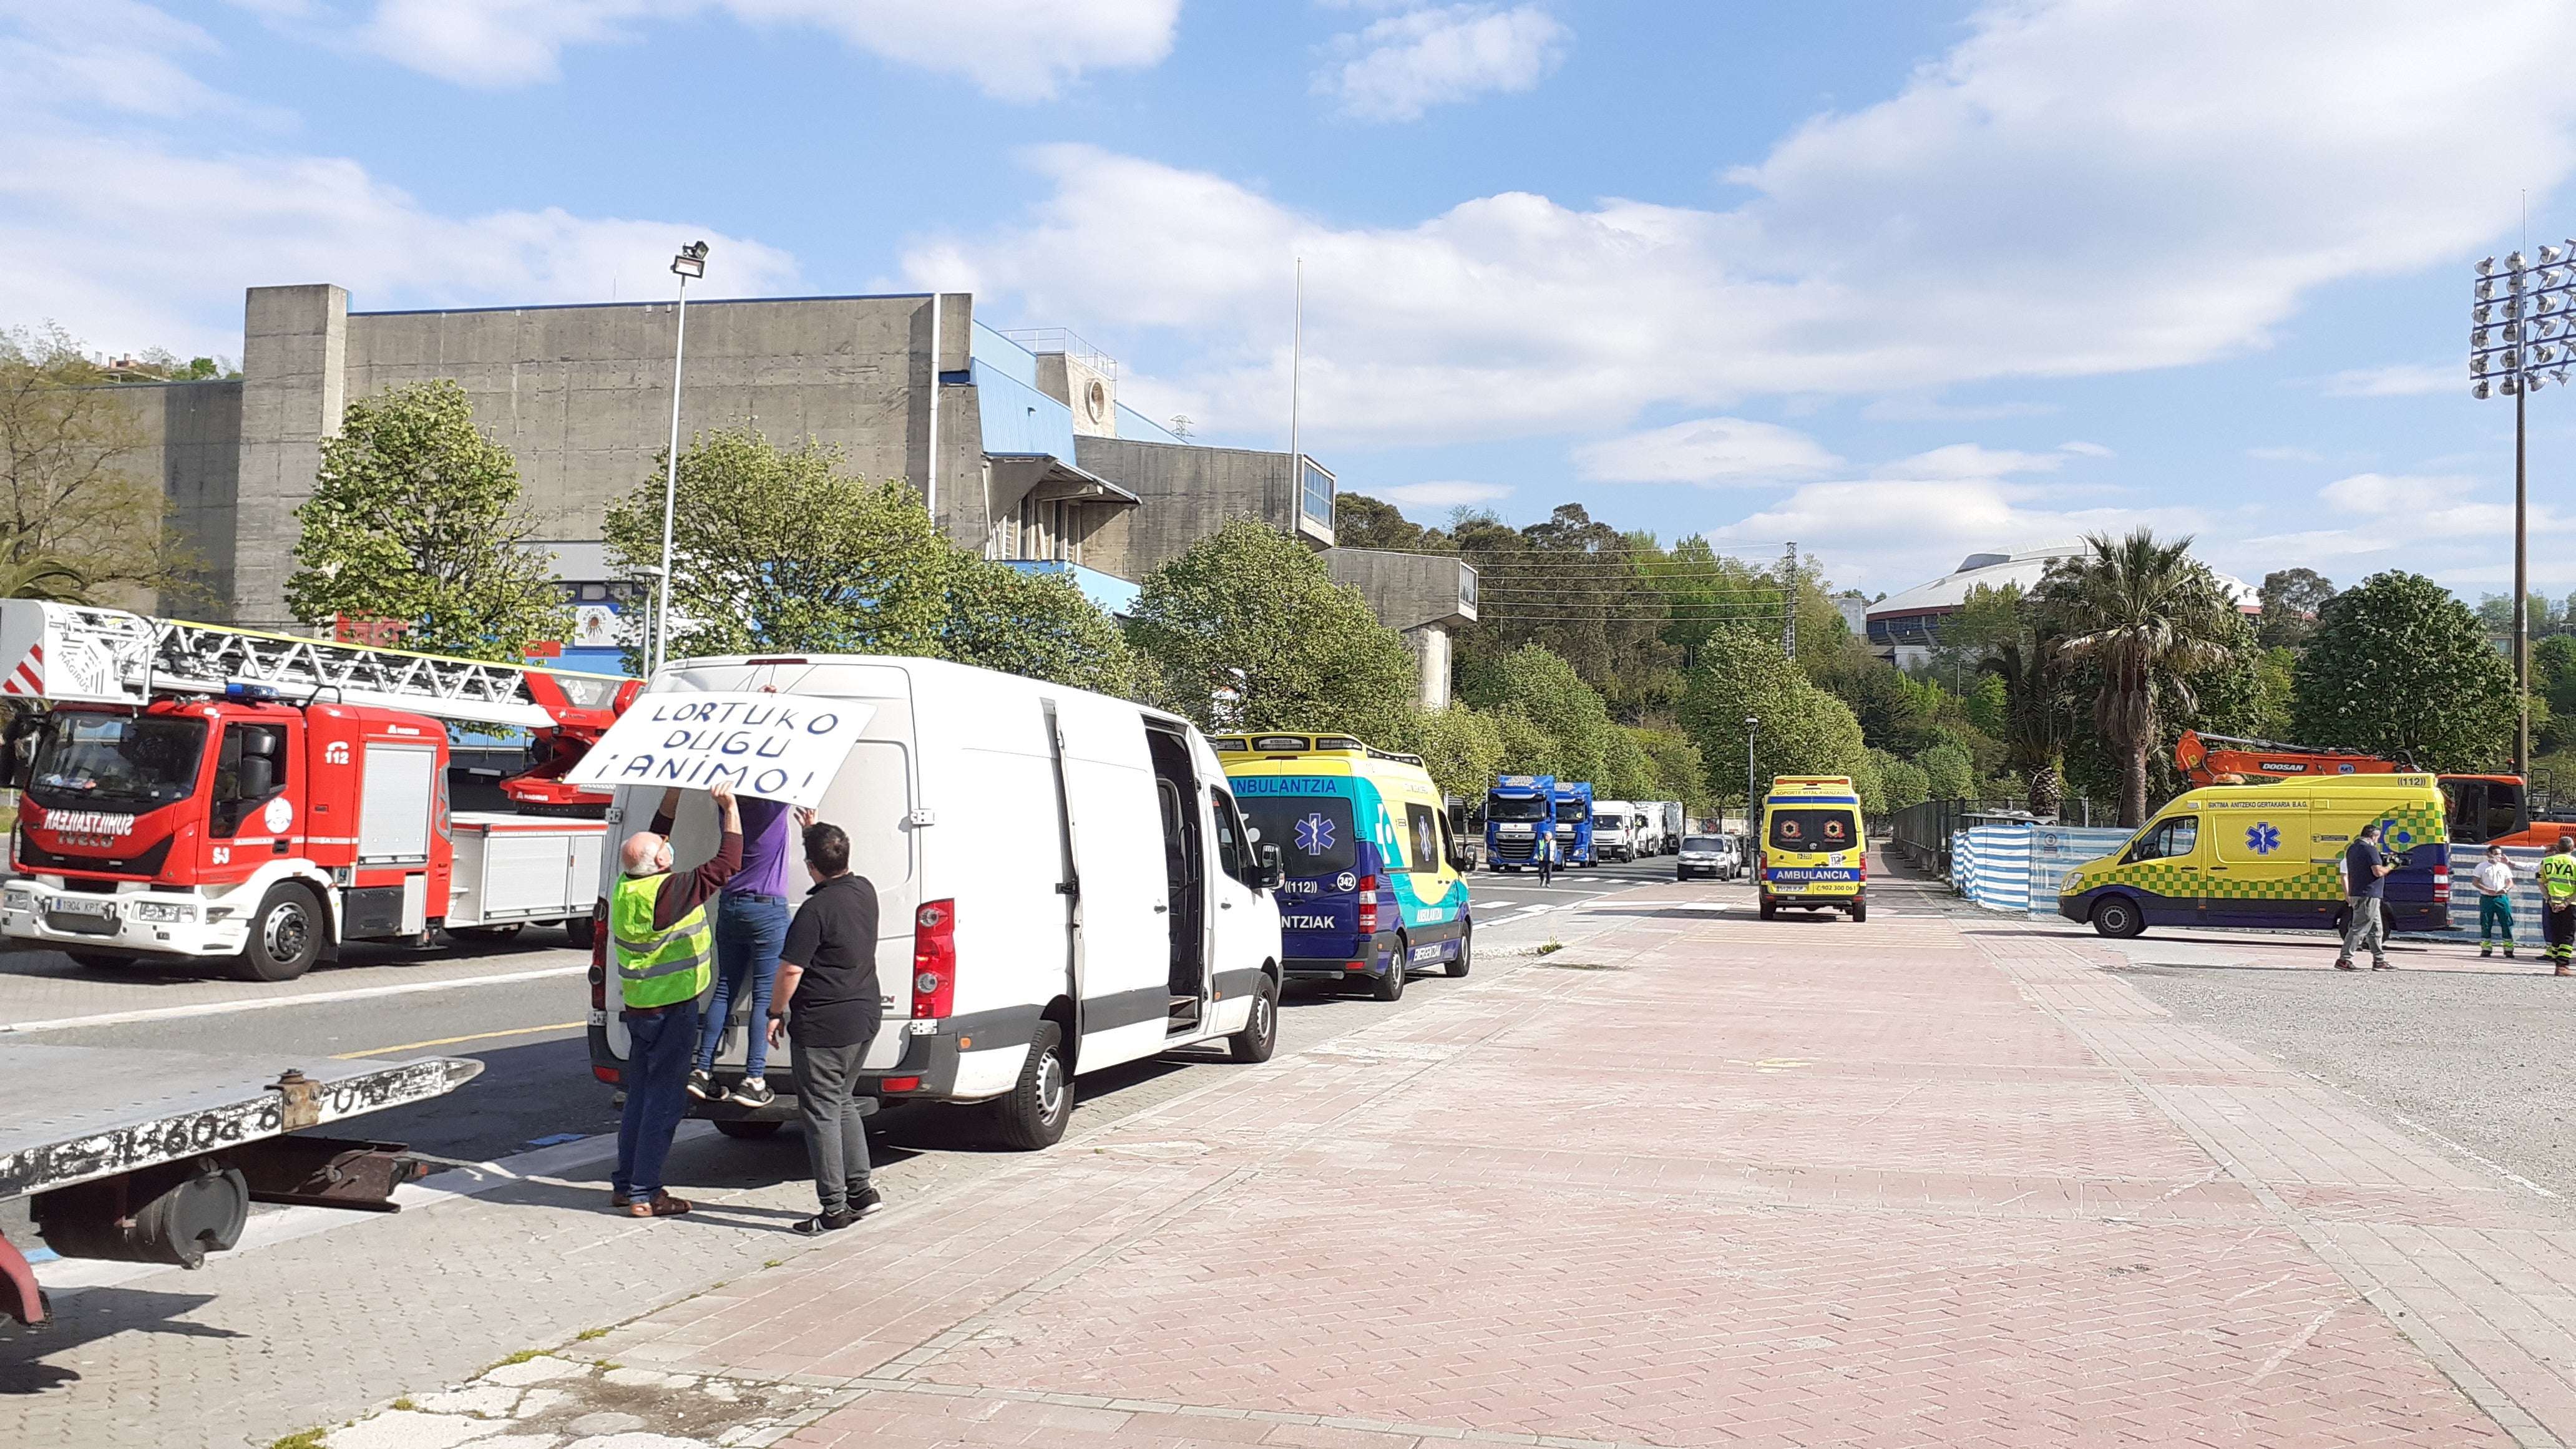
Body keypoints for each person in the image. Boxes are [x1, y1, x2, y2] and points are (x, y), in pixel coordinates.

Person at [609, 779, 743, 1218]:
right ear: (662, 861)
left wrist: (672, 797)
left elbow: (652, 838)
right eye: (664, 847)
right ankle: (647, 1193)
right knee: (665, 1103)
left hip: (641, 1009)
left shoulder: (629, 887)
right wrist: (730, 809)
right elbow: (727, 864)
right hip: (672, 1011)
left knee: (640, 1098)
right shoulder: (669, 894)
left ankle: (626, 1184)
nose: (669, 845)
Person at [767, 820, 884, 1234]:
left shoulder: (814, 911)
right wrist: (815, 831)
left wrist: (776, 1012)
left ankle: (834, 1208)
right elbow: (831, 857)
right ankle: (862, 1192)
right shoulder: (864, 890)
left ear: (811, 865)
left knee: (820, 1113)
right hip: (864, 1018)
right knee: (844, 1100)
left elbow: (790, 971)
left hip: (824, 1025)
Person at [682, 784, 812, 1110]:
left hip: (730, 904)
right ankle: (754, 1079)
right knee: (764, 997)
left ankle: (701, 1069)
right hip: (766, 908)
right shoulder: (775, 807)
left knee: (725, 987)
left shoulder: (729, 809)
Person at [2334, 820, 2396, 972]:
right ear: (2374, 837)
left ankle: (2379, 960)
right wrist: (2391, 866)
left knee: (2376, 929)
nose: (2378, 841)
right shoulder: (2370, 850)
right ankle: (2344, 959)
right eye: (2378, 838)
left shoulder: (2352, 849)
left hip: (2358, 892)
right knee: (2360, 928)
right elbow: (2378, 872)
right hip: (2368, 894)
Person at [2474, 843, 2523, 959]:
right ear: (2489, 854)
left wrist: (2505, 889)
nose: (2498, 857)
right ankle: (2486, 949)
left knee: (2507, 922)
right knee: (2486, 923)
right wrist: (2486, 889)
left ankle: (2509, 950)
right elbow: (2475, 882)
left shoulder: (2504, 867)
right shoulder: (2481, 867)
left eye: (2500, 854)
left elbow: (2510, 882)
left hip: (2501, 898)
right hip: (2487, 899)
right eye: (2496, 854)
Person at [2541, 836, 2576, 975]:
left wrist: (2549, 899)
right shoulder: (2575, 863)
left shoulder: (2546, 862)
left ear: (2558, 848)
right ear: (2572, 848)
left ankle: (2557, 964)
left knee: (2556, 933)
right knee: (2567, 935)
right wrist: (2567, 902)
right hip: (2571, 904)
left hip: (2552, 903)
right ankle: (2563, 966)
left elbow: (2541, 882)